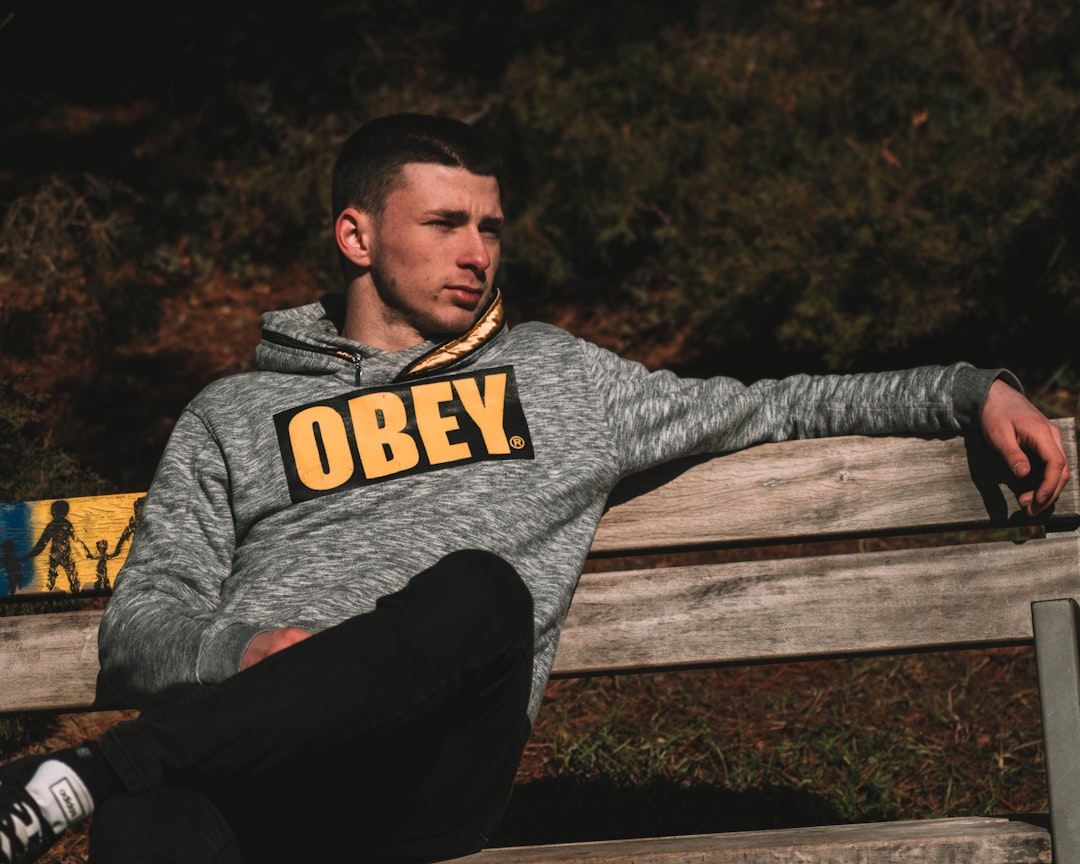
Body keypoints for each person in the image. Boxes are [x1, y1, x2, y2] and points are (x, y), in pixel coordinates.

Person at [0, 113, 1069, 864]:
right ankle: (120, 784)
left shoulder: (558, 380)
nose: (479, 253)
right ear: (356, 235)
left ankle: (93, 774)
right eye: (446, 224)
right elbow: (143, 624)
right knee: (156, 829)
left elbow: (776, 405)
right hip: (253, 760)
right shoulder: (231, 415)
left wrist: (966, 388)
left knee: (481, 589)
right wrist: (239, 655)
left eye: (492, 227)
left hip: (421, 779)